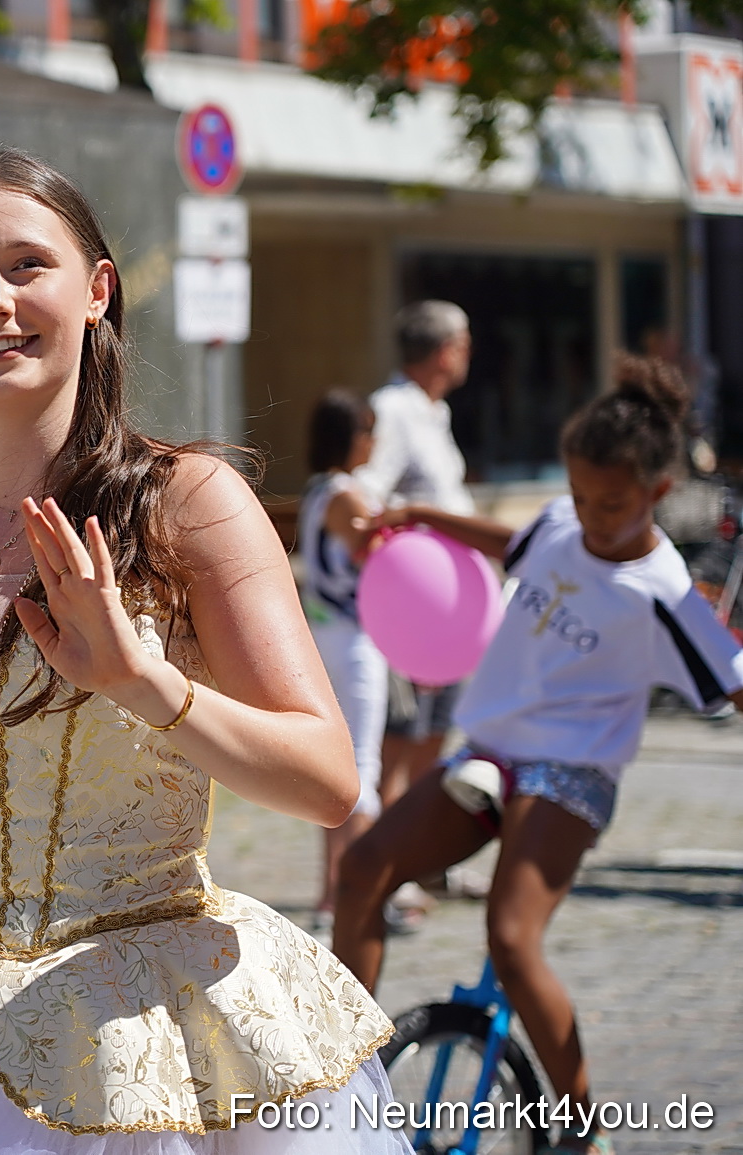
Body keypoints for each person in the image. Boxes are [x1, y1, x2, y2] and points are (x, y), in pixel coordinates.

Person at [0, 147, 408, 1155]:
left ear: (96, 289)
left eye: (27, 265)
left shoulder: (188, 501)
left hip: (150, 1029)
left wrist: (146, 683)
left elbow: (327, 780)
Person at [334, 356, 743, 1155]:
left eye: (612, 504)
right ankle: (345, 1075)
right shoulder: (562, 523)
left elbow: (733, 681)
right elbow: (512, 540)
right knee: (362, 869)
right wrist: (420, 515)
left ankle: (586, 1134)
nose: (591, 516)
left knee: (512, 941)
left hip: (572, 774)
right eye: (581, 495)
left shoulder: (663, 590)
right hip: (490, 753)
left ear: (658, 493)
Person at [354, 300, 475, 813]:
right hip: (415, 607)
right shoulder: (393, 409)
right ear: (447, 352)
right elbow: (363, 496)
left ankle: (417, 857)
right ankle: (388, 864)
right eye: (465, 344)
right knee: (402, 736)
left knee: (440, 726)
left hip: (453, 605)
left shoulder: (434, 410)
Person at [298, 391, 386, 938]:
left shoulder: (315, 492)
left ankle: (332, 892)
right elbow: (382, 558)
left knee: (337, 771)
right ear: (353, 439)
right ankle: (362, 890)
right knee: (362, 769)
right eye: (369, 432)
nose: (375, 443)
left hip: (324, 635)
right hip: (353, 640)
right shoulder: (347, 496)